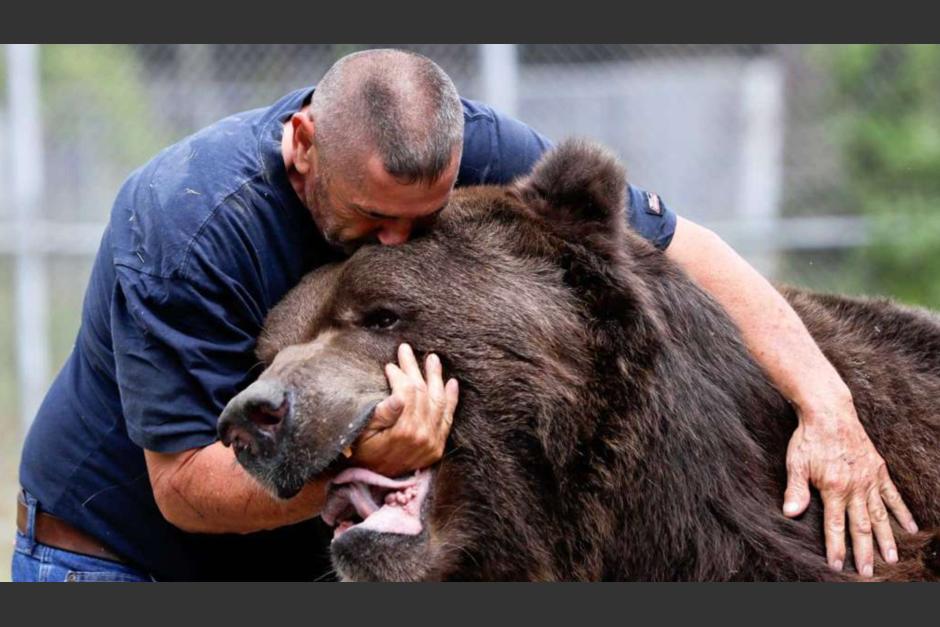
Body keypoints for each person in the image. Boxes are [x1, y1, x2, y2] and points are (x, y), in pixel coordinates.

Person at [14, 49, 917, 582]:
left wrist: (826, 404)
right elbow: (181, 489)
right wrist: (357, 463)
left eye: (425, 217)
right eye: (374, 221)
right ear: (303, 145)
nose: (403, 238)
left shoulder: (447, 154)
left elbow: (679, 243)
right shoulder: (183, 224)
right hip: (113, 558)